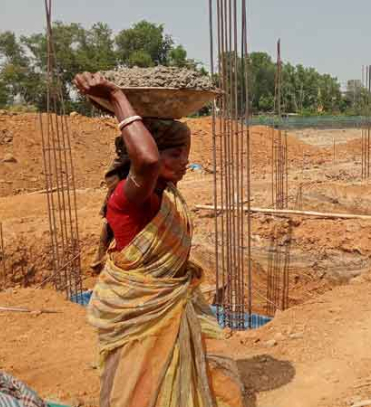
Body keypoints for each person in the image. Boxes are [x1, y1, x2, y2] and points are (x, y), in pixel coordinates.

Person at [73, 72, 244, 407]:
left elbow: (152, 162)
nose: (185, 163)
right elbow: (148, 161)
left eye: (186, 155)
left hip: (174, 301)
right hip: (144, 310)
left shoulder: (166, 194)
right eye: (175, 155)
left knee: (185, 379)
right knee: (145, 387)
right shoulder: (130, 197)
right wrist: (116, 95)